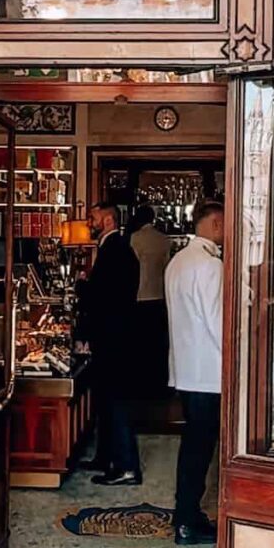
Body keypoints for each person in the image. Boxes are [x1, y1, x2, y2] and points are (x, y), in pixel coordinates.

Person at [165, 200, 224, 545]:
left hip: (187, 369)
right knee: (199, 449)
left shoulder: (179, 261)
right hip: (209, 372)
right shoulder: (209, 266)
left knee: (193, 446)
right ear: (216, 224)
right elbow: (218, 324)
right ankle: (187, 520)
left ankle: (187, 513)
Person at [83, 202, 142, 486]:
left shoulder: (116, 250)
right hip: (114, 337)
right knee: (106, 400)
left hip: (114, 339)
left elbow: (105, 297)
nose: (88, 222)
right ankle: (105, 457)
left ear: (107, 219)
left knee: (116, 401)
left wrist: (84, 290)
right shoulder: (114, 248)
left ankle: (126, 467)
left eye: (92, 218)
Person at [130, 204, 171, 394]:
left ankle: (142, 382)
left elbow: (131, 267)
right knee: (158, 343)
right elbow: (167, 266)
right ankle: (159, 381)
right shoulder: (164, 239)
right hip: (160, 294)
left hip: (140, 294)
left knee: (140, 344)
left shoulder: (135, 238)